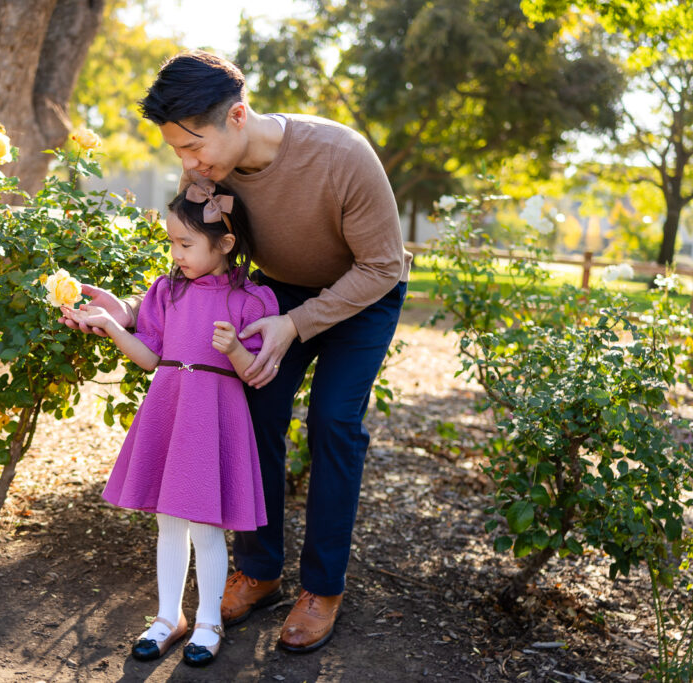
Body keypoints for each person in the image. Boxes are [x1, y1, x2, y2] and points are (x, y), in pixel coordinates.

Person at [76, 50, 412, 654]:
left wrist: (298, 323)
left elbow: (384, 265)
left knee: (334, 421)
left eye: (193, 145)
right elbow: (196, 269)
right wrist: (129, 311)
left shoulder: (340, 155)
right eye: (177, 149)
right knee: (252, 409)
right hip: (269, 294)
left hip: (363, 292)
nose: (187, 163)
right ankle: (260, 569)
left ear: (237, 115)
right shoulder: (204, 179)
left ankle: (323, 588)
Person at [60, 180, 278, 667]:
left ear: (224, 243)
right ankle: (167, 617)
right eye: (171, 243)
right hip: (170, 405)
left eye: (185, 244)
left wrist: (237, 350)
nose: (175, 253)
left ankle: (208, 622)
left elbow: (256, 372)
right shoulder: (166, 291)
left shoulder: (252, 300)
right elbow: (149, 357)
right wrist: (115, 327)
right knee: (169, 520)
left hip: (214, 413)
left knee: (206, 524)